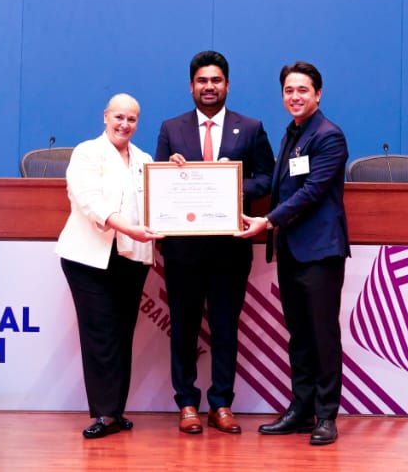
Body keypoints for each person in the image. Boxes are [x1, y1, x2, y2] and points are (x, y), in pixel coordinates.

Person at [154, 51, 274, 436]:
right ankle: (187, 403)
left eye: (216, 81)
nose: (209, 87)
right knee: (184, 329)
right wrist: (172, 177)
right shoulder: (171, 128)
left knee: (225, 328)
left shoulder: (251, 128)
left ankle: (221, 404)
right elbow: (155, 185)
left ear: (227, 85)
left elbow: (267, 179)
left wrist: (229, 182)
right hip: (183, 250)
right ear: (192, 86)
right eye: (202, 81)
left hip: (229, 250)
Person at [238, 62, 349, 446]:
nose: (295, 96)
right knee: (299, 336)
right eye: (288, 90)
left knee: (322, 335)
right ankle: (301, 410)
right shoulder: (293, 133)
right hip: (291, 251)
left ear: (318, 94)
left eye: (303, 90)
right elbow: (277, 183)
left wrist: (266, 220)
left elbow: (312, 192)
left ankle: (327, 416)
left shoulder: (329, 135)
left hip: (319, 252)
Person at [55, 93, 164, 439]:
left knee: (121, 334)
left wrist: (177, 174)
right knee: (100, 333)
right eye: (119, 117)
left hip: (131, 258)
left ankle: (115, 411)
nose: (124, 124)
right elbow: (88, 201)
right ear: (105, 116)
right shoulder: (87, 152)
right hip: (88, 260)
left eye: (132, 119)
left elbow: (161, 199)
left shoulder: (144, 158)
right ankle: (103, 413)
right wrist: (128, 227)